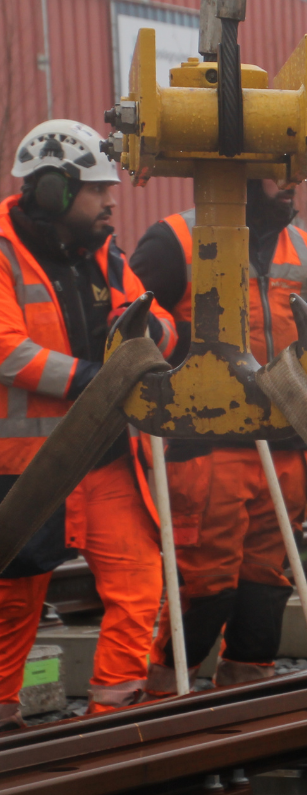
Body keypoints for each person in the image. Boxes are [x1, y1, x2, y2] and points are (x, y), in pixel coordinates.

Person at [130, 177, 307, 694]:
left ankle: (246, 698)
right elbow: (129, 321)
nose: (292, 183)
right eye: (278, 173)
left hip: (289, 443)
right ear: (246, 175)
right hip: (209, 443)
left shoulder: (304, 246)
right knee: (206, 583)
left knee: (268, 581)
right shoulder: (174, 241)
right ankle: (163, 693)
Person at [0, 120, 178, 726]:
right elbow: (8, 351)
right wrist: (99, 379)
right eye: (99, 189)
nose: (111, 200)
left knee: (138, 581)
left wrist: (153, 337)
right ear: (52, 191)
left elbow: (152, 321)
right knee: (13, 596)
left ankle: (115, 717)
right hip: (26, 466)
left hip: (104, 454)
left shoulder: (106, 254)